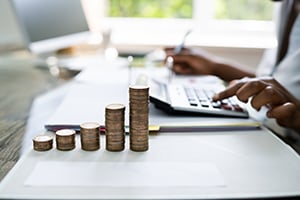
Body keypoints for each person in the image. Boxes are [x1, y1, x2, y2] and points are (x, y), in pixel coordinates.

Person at [165, 0, 300, 140]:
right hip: (263, 132)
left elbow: (288, 100)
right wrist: (214, 67)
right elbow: (273, 84)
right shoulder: (285, 4)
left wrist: (297, 118)